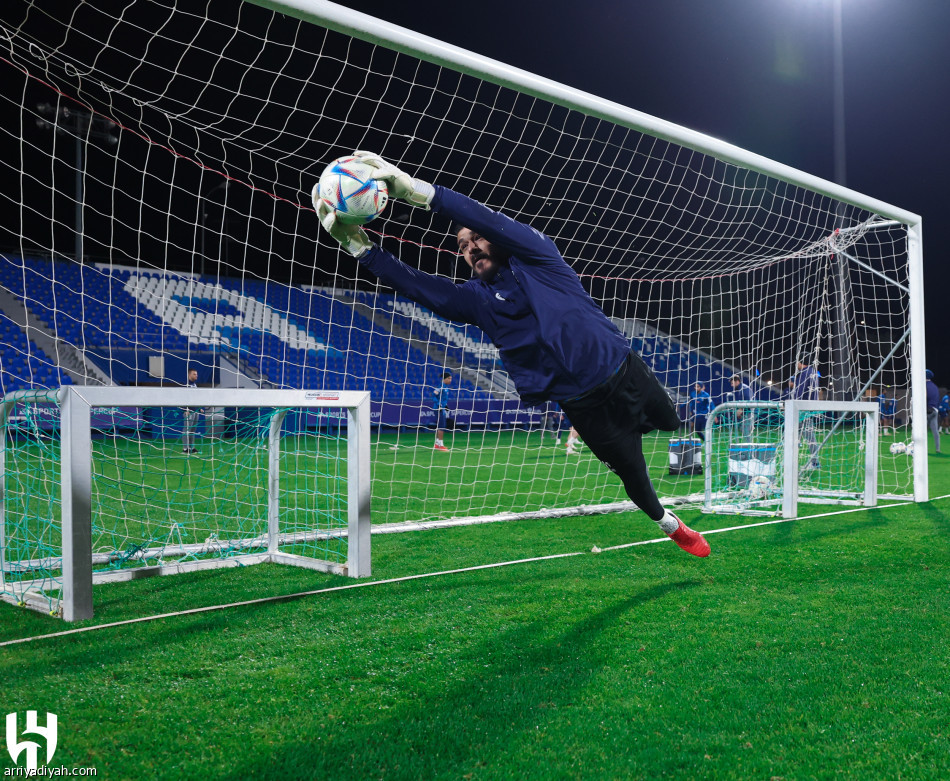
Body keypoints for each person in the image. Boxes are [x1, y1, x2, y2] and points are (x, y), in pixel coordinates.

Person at [314, 151, 710, 557]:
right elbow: (420, 287)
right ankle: (670, 524)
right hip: (582, 404)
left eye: (476, 239)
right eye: (462, 246)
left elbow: (486, 219)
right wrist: (363, 250)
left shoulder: (539, 257)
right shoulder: (476, 300)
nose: (470, 248)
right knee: (633, 476)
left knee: (672, 421)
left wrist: (419, 192)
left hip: (625, 372)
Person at [790, 358, 820, 469]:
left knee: (798, 436)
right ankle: (812, 462)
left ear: (800, 362)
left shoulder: (804, 373)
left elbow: (799, 391)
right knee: (801, 436)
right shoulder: (813, 372)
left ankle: (814, 463)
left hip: (802, 409)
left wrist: (794, 405)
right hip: (809, 408)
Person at [433, 371, 453, 451]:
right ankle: (441, 445)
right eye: (449, 378)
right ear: (444, 379)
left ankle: (437, 444)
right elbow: (434, 396)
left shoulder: (446, 387)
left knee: (441, 425)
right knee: (441, 426)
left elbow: (443, 398)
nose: (450, 380)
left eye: (451, 378)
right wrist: (439, 405)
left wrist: (445, 405)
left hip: (442, 408)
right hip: (438, 408)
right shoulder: (440, 387)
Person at [729, 374, 753, 439]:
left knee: (745, 429)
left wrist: (741, 409)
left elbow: (749, 401)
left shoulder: (744, 388)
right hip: (749, 411)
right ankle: (748, 443)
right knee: (744, 428)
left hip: (752, 411)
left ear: (737, 382)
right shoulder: (741, 388)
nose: (731, 385)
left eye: (732, 383)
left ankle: (749, 444)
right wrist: (742, 412)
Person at [182, 367, 199, 454]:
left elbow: (196, 398)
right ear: (189, 375)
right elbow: (182, 398)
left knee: (192, 430)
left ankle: (192, 447)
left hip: (195, 410)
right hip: (188, 411)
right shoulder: (185, 385)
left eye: (196, 374)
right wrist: (185, 409)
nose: (196, 375)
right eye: (194, 374)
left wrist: (199, 408)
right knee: (187, 430)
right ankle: (185, 448)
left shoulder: (195, 385)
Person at [925, 369, 941, 454]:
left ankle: (919, 448)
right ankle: (938, 449)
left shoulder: (924, 385)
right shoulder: (935, 386)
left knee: (921, 430)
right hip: (935, 410)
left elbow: (925, 397)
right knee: (935, 431)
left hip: (927, 410)